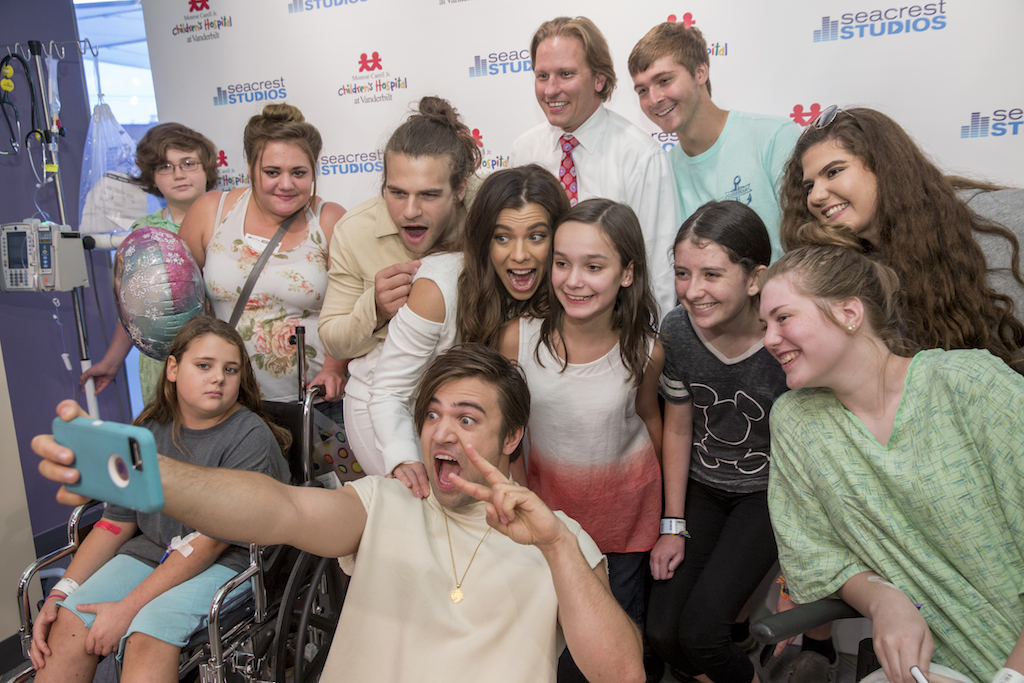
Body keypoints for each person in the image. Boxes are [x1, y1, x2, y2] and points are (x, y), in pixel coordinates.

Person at [36, 344, 646, 683]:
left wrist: (557, 547)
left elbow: (621, 674)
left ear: (512, 439)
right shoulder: (386, 502)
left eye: (467, 418)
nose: (442, 433)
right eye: (432, 415)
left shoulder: (560, 538)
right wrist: (149, 473)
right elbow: (277, 509)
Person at [761, 245, 1024, 683]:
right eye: (764, 325)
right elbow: (820, 556)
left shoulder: (970, 384)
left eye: (783, 318)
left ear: (849, 312)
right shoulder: (796, 422)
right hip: (939, 670)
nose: (768, 339)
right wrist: (885, 601)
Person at [31, 316, 290, 683]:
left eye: (230, 369)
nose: (218, 377)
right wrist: (61, 591)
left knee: (147, 632)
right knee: (70, 619)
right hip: (154, 550)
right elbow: (115, 523)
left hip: (230, 560)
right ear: (172, 368)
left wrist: (126, 609)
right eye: (204, 365)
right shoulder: (149, 429)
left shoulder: (249, 437)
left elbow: (211, 541)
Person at [499, 198, 664, 681]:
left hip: (626, 529)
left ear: (627, 273)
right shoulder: (518, 339)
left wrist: (672, 520)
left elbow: (651, 422)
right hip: (550, 525)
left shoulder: (647, 350)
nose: (574, 280)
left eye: (594, 266)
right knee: (556, 652)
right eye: (563, 263)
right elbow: (505, 435)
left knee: (615, 650)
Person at [646, 201, 785, 683]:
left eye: (711, 274)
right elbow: (679, 427)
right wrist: (672, 523)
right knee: (662, 634)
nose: (693, 290)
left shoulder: (785, 337)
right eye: (682, 273)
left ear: (754, 279)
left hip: (766, 495)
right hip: (703, 487)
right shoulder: (677, 331)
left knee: (702, 634)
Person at [368, 165, 569, 494]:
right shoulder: (439, 288)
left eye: (536, 236)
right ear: (483, 240)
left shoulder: (563, 288)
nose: (520, 255)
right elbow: (389, 393)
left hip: (469, 422)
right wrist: (403, 458)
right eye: (502, 237)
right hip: (393, 410)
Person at [778, 105, 1024, 373]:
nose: (816, 196)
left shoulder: (1000, 217)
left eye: (833, 172)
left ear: (884, 167)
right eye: (809, 186)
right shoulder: (852, 271)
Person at [318, 96, 481, 475]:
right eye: (396, 192)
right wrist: (373, 308)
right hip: (385, 399)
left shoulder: (491, 208)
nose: (410, 210)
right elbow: (333, 339)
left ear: (460, 188)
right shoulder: (355, 230)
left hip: (473, 398)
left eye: (428, 194)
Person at [178, 103, 348, 415]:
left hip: (314, 403)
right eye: (272, 172)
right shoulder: (211, 212)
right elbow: (179, 300)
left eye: (299, 173)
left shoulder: (330, 220)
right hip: (228, 401)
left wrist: (336, 367)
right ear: (250, 168)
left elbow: (354, 306)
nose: (286, 184)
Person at [510, 16, 680, 317]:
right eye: (542, 76)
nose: (550, 90)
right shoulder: (525, 150)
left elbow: (658, 271)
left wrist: (647, 351)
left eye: (565, 74)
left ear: (599, 79)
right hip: (535, 322)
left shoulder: (640, 155)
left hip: (615, 331)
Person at [628, 22, 800, 261]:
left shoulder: (774, 138)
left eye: (664, 81)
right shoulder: (661, 170)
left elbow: (810, 243)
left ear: (700, 73)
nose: (654, 98)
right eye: (642, 91)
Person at [80, 123, 219, 404]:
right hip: (161, 366)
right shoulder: (144, 232)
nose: (178, 174)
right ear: (153, 178)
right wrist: (112, 361)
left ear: (207, 170)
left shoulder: (229, 222)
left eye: (188, 163)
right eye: (165, 167)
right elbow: (138, 309)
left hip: (219, 358)